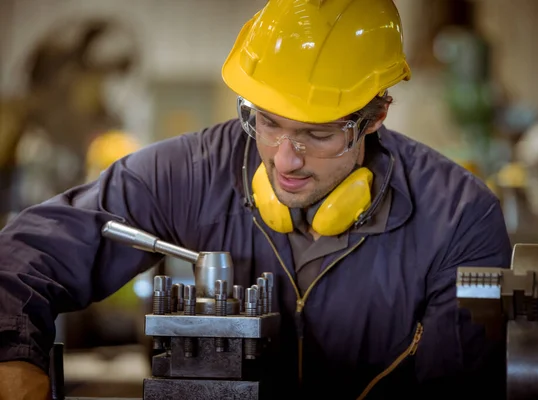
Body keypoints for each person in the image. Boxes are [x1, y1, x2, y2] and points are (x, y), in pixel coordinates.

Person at [0, 1, 512, 399]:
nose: (285, 159)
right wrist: (13, 356)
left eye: (318, 133)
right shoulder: (192, 173)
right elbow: (25, 253)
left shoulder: (458, 219)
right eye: (267, 122)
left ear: (374, 117)